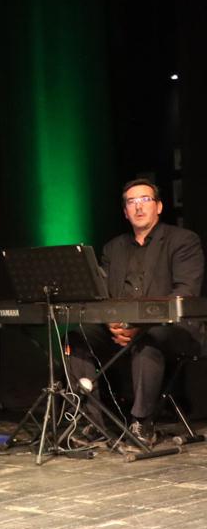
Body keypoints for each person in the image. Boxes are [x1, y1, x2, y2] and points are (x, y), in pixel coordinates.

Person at [66, 178, 204, 448]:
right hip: (122, 328)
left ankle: (143, 423)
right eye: (132, 202)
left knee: (148, 337)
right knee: (75, 337)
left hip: (174, 329)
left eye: (145, 200)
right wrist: (110, 323)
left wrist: (137, 326)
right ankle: (92, 422)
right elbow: (102, 296)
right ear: (125, 211)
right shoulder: (112, 248)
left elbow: (185, 293)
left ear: (159, 206)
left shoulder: (183, 241)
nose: (139, 207)